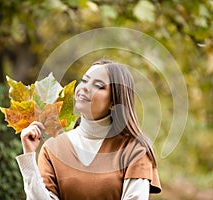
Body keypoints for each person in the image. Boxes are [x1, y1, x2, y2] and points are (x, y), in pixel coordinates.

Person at [16, 59, 162, 200]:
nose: (84, 88)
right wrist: (29, 155)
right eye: (84, 81)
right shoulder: (52, 149)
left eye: (98, 85)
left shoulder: (135, 150)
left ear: (113, 102)